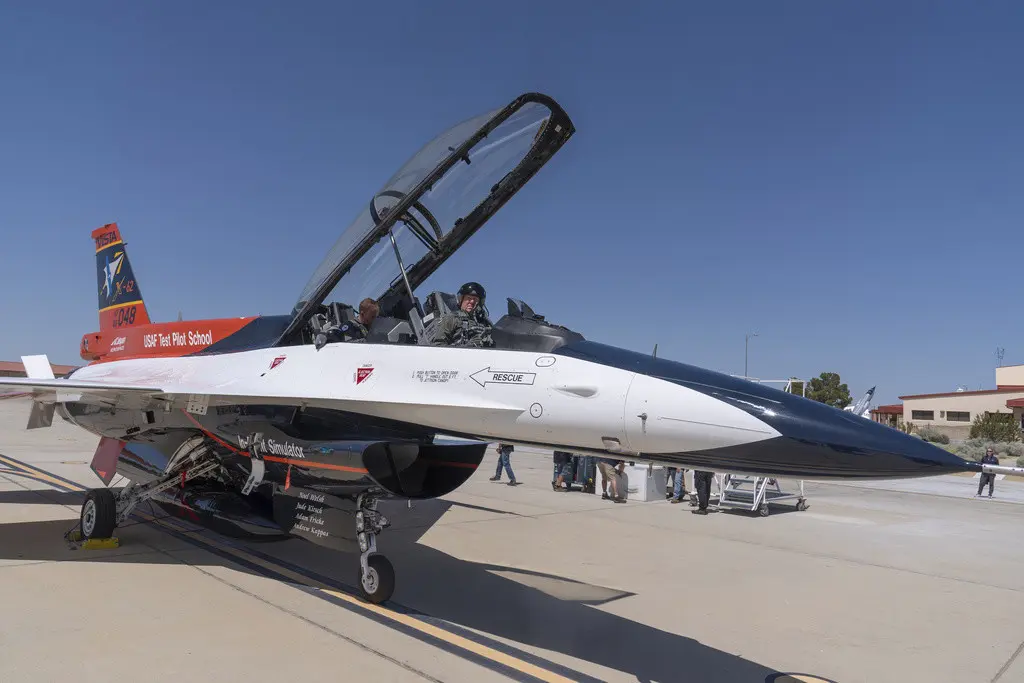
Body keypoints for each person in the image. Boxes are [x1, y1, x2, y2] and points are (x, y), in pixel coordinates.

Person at [429, 282, 494, 348]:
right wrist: (465, 347)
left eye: (475, 299)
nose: (472, 302)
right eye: (468, 298)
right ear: (461, 299)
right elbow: (437, 347)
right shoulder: (451, 318)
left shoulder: (485, 323)